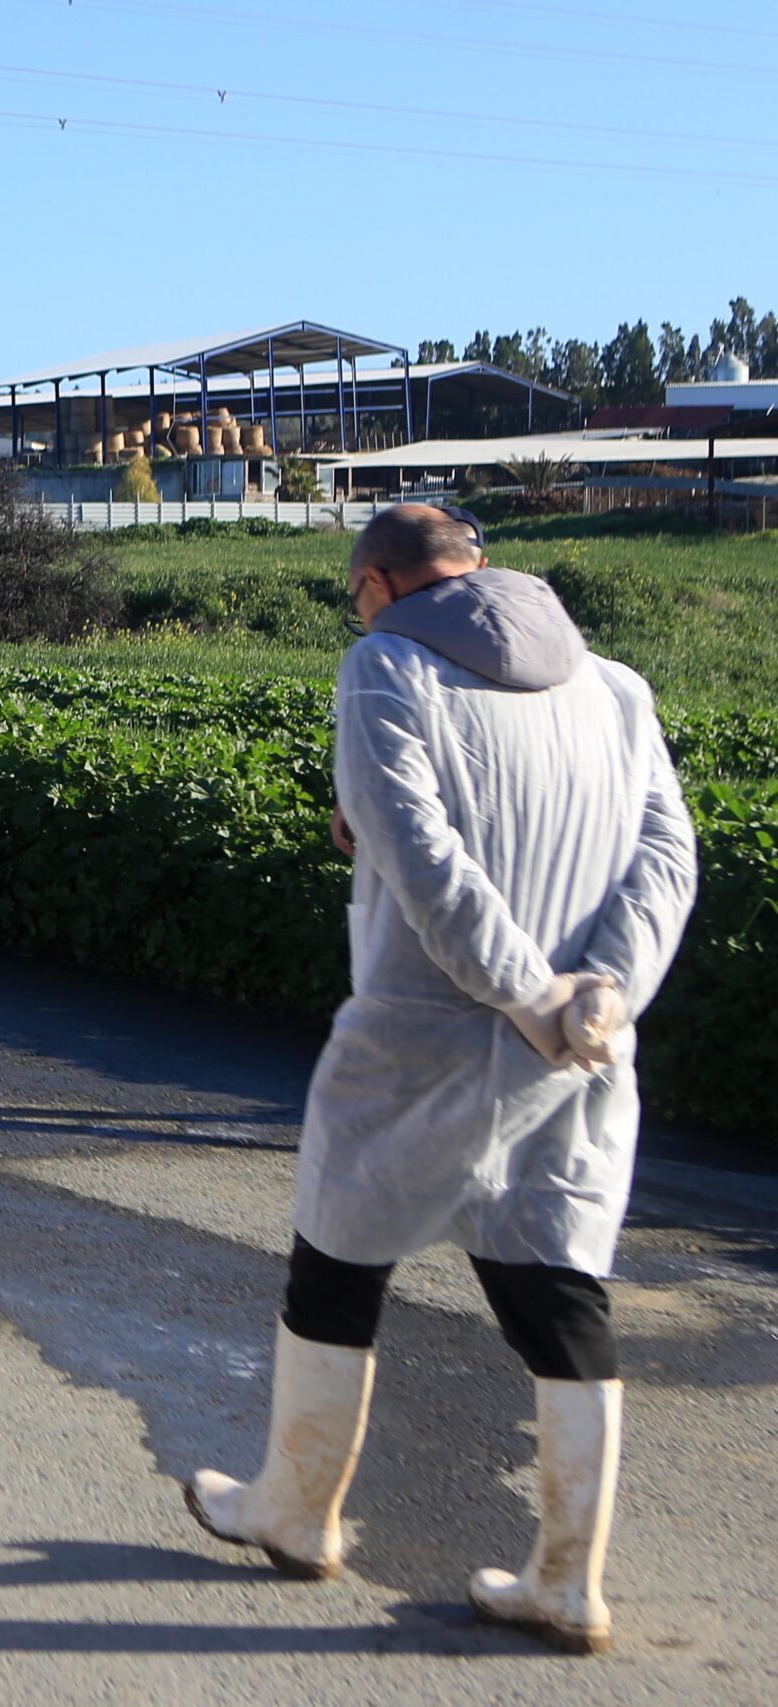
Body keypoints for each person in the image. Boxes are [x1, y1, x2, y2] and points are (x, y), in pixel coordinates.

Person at [186, 505, 696, 1657]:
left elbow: (424, 855)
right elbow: (665, 854)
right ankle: (567, 1581)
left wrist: (517, 992)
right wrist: (594, 996)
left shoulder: (384, 668)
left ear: (375, 584)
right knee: (557, 1285)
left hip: (423, 1027)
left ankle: (295, 1510)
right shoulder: (612, 685)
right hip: (579, 1045)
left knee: (339, 1255)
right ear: (475, 566)